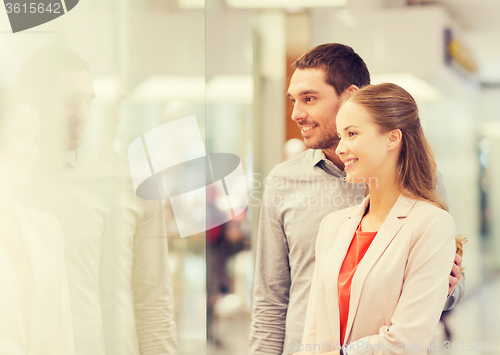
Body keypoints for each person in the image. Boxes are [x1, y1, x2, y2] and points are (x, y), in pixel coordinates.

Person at [249, 43, 464, 355]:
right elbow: (270, 298)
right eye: (293, 100)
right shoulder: (284, 182)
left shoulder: (422, 185)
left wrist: (444, 285)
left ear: (349, 96)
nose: (296, 113)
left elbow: (447, 293)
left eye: (309, 99)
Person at [18, 45, 176, 355]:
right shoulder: (11, 183)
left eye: (90, 103)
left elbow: (153, 301)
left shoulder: (131, 183)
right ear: (31, 102)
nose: (84, 117)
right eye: (70, 102)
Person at [298, 83, 456, 354]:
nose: (341, 148)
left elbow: (407, 342)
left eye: (352, 133)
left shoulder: (431, 224)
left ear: (392, 138)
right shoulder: (333, 226)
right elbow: (313, 331)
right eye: (340, 136)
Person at [0, 92, 74, 354]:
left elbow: (61, 333)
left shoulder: (46, 229)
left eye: (36, 138)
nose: (33, 151)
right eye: (21, 135)